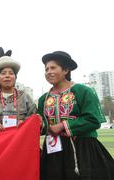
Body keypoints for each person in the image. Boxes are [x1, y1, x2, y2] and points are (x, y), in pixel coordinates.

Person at [38, 51, 114, 180]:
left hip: (83, 150)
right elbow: (44, 126)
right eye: (46, 69)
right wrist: (39, 124)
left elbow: (93, 120)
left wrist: (62, 126)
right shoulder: (43, 99)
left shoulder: (83, 91)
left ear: (66, 70)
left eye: (53, 68)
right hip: (53, 153)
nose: (48, 72)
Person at [0, 56, 37, 129]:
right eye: (3, 73)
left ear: (15, 78)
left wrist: (25, 122)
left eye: (11, 73)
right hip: (0, 138)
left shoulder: (25, 97)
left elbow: (35, 119)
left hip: (20, 138)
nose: (7, 76)